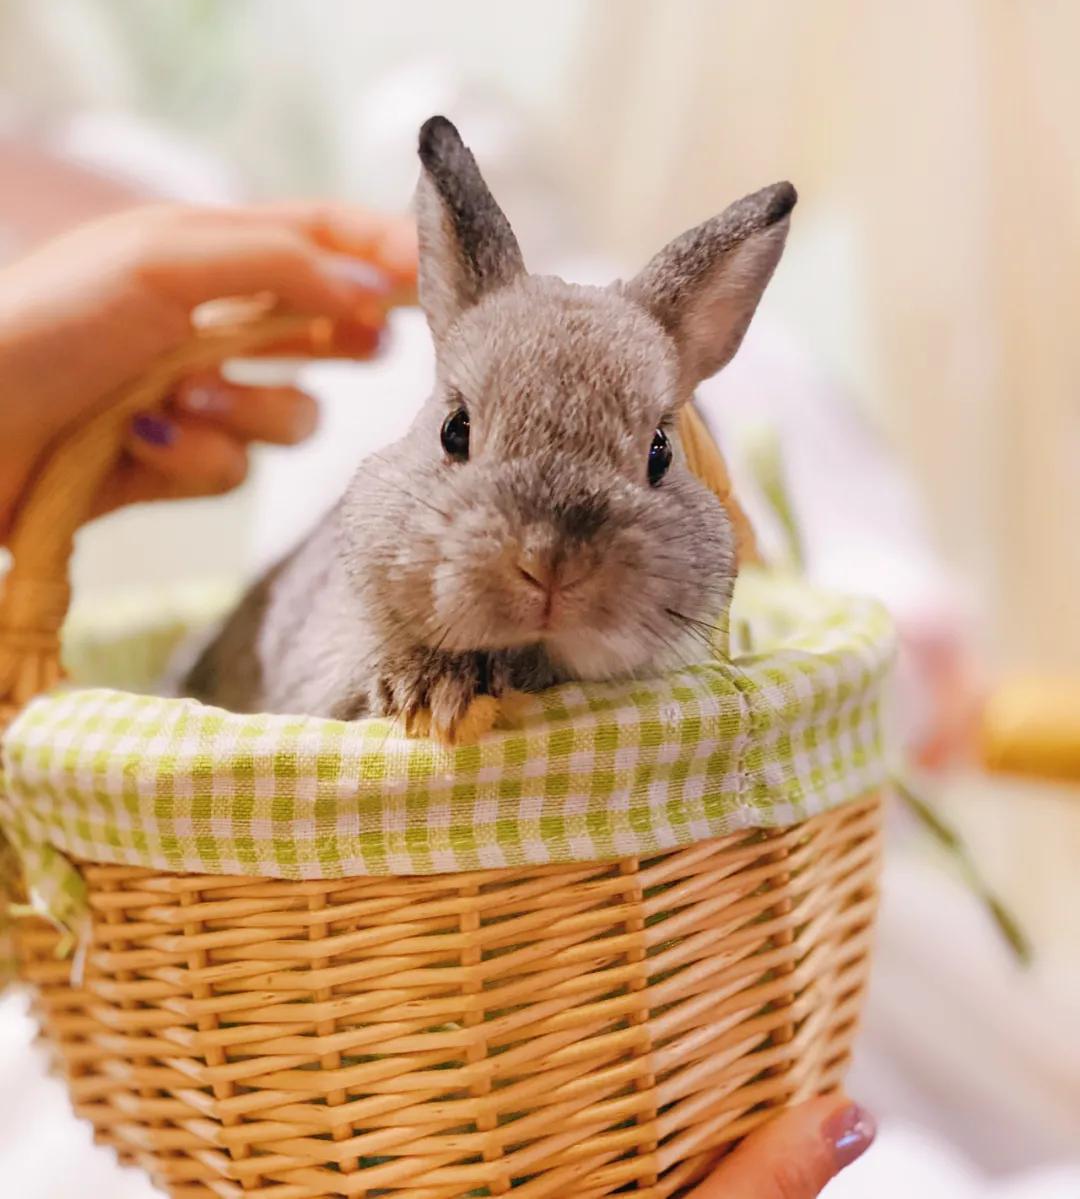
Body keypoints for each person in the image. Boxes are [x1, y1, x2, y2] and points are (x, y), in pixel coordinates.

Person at [0, 201, 878, 1193]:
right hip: (310, 1023)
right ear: (439, 423)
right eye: (463, 432)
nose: (545, 552)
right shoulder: (354, 574)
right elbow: (297, 698)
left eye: (652, 458)